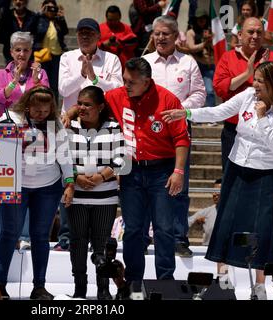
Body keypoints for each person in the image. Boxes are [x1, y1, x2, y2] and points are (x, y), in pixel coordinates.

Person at [162, 61, 273, 300]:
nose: (254, 84)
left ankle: (260, 285)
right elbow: (219, 111)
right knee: (227, 220)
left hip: (266, 174)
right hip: (237, 168)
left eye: (260, 81)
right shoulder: (247, 95)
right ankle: (223, 278)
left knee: (262, 229)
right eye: (254, 79)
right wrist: (187, 113)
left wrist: (263, 117)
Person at [105, 57, 190, 283]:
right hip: (130, 171)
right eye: (124, 80)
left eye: (131, 82)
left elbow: (182, 138)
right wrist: (71, 112)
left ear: (147, 81)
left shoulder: (168, 100)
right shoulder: (116, 96)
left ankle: (165, 281)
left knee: (163, 228)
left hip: (162, 171)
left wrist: (178, 172)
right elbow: (92, 101)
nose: (126, 85)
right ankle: (132, 283)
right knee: (132, 229)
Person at [0, 86, 74, 300]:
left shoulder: (56, 124)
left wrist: (69, 184)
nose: (41, 115)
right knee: (9, 234)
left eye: (45, 111)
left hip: (48, 186)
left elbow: (65, 156)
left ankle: (39, 286)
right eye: (36, 110)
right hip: (15, 184)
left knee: (40, 236)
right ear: (27, 105)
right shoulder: (10, 118)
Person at [56, 17, 123, 251]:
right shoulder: (67, 57)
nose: (85, 36)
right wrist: (82, 73)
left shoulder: (111, 59)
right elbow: (64, 88)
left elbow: (116, 91)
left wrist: (93, 76)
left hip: (102, 126)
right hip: (72, 128)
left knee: (100, 177)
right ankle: (66, 237)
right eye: (81, 33)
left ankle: (100, 238)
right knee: (70, 177)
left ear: (98, 36)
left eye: (89, 33)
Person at [143, 14, 206, 257]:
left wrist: (181, 111)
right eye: (157, 33)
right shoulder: (145, 62)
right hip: (149, 132)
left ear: (175, 36)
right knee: (149, 187)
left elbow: (200, 93)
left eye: (165, 33)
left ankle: (179, 238)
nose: (160, 38)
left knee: (179, 186)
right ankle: (149, 236)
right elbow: (136, 93)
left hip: (179, 130)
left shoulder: (188, 62)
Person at [66, 86, 125, 300]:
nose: (82, 107)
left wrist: (102, 176)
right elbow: (61, 156)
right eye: (79, 103)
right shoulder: (68, 126)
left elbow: (121, 158)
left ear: (100, 107)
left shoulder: (113, 127)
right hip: (77, 196)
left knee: (102, 243)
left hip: (106, 197)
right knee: (78, 242)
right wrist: (76, 176)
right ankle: (79, 288)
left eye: (87, 104)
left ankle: (103, 289)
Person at [213, 17, 273, 171]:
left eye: (259, 32)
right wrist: (247, 74)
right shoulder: (228, 58)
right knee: (230, 178)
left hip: (264, 129)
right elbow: (220, 88)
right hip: (233, 129)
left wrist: (267, 73)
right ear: (239, 35)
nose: (255, 36)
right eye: (250, 32)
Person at [0, 31, 49, 117]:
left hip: (34, 121)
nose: (22, 54)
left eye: (26, 50)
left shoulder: (40, 72)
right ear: (11, 52)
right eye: (18, 50)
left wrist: (36, 80)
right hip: (9, 122)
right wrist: (14, 82)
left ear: (31, 52)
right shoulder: (1, 74)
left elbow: (46, 99)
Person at [33, 0, 68, 101]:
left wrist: (61, 18)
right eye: (48, 8)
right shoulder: (39, 20)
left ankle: (54, 107)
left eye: (53, 8)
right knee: (42, 84)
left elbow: (65, 31)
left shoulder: (58, 21)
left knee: (54, 85)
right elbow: (36, 31)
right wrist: (40, 14)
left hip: (56, 56)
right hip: (42, 56)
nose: (51, 11)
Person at [186, 8, 216, 109]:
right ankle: (196, 114)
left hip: (210, 64)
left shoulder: (212, 31)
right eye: (199, 19)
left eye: (203, 19)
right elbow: (191, 48)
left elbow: (217, 47)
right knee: (195, 91)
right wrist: (204, 43)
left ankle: (211, 116)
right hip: (197, 64)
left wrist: (210, 40)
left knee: (209, 90)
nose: (201, 21)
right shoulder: (191, 32)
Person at [98, 5, 137, 71]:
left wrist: (120, 44)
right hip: (104, 66)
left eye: (116, 20)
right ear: (106, 17)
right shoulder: (99, 28)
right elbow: (92, 46)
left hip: (123, 67)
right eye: (110, 20)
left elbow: (134, 43)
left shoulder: (126, 28)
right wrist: (103, 45)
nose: (113, 23)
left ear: (120, 17)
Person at [188, 178, 221, 246]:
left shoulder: (234, 213)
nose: (214, 194)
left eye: (218, 191)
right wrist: (196, 223)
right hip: (208, 250)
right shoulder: (206, 212)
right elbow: (187, 223)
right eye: (214, 191)